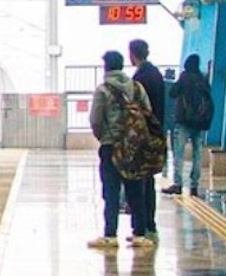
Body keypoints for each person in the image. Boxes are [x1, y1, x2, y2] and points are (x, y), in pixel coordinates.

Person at [89, 49, 156, 249]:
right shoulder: (136, 87)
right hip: (134, 147)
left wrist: (104, 138)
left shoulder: (103, 90)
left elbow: (95, 120)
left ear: (106, 67)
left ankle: (110, 235)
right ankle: (139, 234)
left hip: (111, 146)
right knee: (136, 190)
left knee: (111, 191)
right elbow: (148, 112)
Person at [127, 40, 166, 236]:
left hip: (143, 135)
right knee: (148, 180)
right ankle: (150, 222)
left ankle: (140, 225)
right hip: (156, 133)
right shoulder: (156, 74)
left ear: (133, 55)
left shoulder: (140, 78)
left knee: (138, 181)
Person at [165, 54, 215, 197]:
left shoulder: (184, 77)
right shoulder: (202, 79)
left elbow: (172, 93)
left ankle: (178, 184)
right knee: (197, 154)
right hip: (199, 122)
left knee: (179, 153)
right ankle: (194, 186)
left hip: (184, 121)